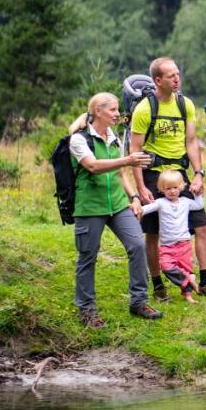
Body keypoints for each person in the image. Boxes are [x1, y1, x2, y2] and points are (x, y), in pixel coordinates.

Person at [130, 57, 206, 298]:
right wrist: (140, 187)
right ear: (157, 80)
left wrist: (198, 174)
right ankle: (158, 284)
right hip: (154, 174)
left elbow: (191, 142)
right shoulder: (145, 109)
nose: (177, 79)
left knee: (202, 225)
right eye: (171, 76)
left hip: (180, 174)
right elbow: (134, 151)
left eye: (177, 74)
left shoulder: (185, 104)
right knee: (153, 233)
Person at [68, 92, 161, 326]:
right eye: (113, 110)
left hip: (118, 204)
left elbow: (120, 174)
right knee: (88, 257)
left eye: (118, 109)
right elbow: (92, 166)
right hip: (90, 206)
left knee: (137, 245)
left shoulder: (113, 136)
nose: (118, 114)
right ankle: (87, 310)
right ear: (98, 111)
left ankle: (139, 302)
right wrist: (128, 160)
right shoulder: (79, 140)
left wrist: (135, 197)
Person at [140, 170, 206, 303]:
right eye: (168, 188)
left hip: (184, 245)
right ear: (161, 189)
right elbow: (146, 209)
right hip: (167, 246)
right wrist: (137, 209)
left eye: (175, 188)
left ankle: (188, 295)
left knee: (185, 268)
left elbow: (199, 205)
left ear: (181, 187)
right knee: (166, 267)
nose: (172, 191)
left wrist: (198, 194)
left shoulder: (185, 202)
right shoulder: (160, 202)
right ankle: (189, 280)